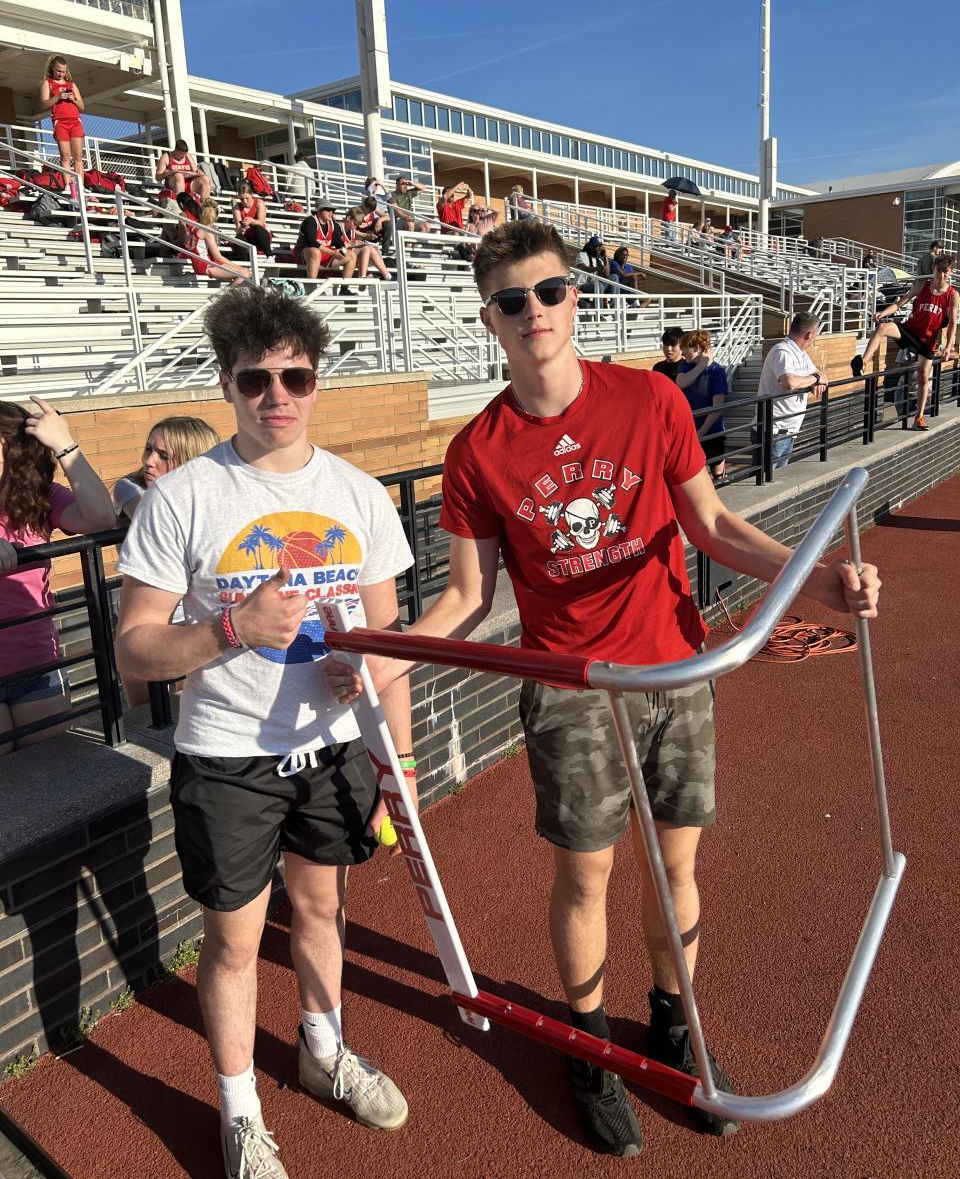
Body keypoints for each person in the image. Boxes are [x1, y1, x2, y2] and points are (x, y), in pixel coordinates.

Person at [325, 221, 880, 1159]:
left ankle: (673, 1022)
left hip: (672, 669)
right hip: (572, 687)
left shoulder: (650, 398)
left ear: (574, 297)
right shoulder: (478, 451)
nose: (534, 312)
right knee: (586, 875)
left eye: (549, 292)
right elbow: (466, 598)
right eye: (512, 300)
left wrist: (817, 578)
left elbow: (711, 525)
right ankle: (589, 1047)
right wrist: (378, 663)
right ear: (490, 319)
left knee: (675, 872)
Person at [115, 286, 414, 1178]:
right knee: (236, 943)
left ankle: (325, 1051)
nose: (276, 394)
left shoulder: (359, 494)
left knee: (323, 909)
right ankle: (240, 1109)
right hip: (228, 755)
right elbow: (135, 648)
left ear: (317, 382)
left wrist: (395, 757)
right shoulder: (183, 499)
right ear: (227, 384)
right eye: (255, 379)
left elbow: (388, 640)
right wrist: (231, 631)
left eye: (295, 377)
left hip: (332, 748)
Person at [0, 398, 115, 755]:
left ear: (14, 451)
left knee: (51, 770)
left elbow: (101, 519)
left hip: (38, 666)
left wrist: (66, 445)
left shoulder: (40, 496)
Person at [112, 416, 220, 709]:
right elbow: (151, 515)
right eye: (149, 450)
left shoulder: (214, 494)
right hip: (144, 621)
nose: (149, 461)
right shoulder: (130, 487)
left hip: (197, 617)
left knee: (189, 706)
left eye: (164, 455)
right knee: (147, 710)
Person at [851, 254, 958, 431]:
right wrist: (884, 313)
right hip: (910, 330)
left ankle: (919, 418)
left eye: (944, 272)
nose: (941, 275)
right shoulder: (922, 285)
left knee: (923, 376)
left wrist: (948, 347)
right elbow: (900, 303)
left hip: (927, 340)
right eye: (938, 271)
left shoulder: (953, 295)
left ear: (950, 272)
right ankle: (863, 363)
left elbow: (953, 323)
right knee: (882, 328)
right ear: (934, 269)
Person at [753, 311, 826, 469]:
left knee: (778, 478)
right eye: (816, 335)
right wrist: (816, 379)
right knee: (765, 479)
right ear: (809, 334)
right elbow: (789, 382)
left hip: (788, 431)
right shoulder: (782, 351)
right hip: (774, 432)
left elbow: (820, 374)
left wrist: (817, 378)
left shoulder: (801, 354)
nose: (815, 339)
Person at [677, 331, 728, 482]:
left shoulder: (717, 371)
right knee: (694, 473)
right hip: (689, 429)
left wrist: (701, 433)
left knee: (717, 471)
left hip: (711, 430)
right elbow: (681, 383)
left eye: (685, 348)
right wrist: (703, 364)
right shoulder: (685, 365)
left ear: (697, 348)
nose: (682, 353)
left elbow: (717, 407)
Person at [177, 193, 251, 284]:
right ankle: (226, 293)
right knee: (244, 273)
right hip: (205, 266)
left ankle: (231, 291)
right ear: (214, 216)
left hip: (205, 264)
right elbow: (217, 256)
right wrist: (238, 267)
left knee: (245, 273)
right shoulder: (206, 230)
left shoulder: (195, 227)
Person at [40, 56, 85, 195]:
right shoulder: (48, 83)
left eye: (63, 71)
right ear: (53, 69)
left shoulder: (72, 85)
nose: (61, 74)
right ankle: (68, 185)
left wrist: (73, 99)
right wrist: (57, 97)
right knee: (65, 156)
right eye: (58, 71)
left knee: (78, 156)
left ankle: (80, 186)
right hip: (60, 122)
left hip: (75, 121)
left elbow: (82, 106)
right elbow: (44, 103)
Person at [293, 199, 357, 281]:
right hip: (304, 253)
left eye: (332, 210)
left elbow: (339, 243)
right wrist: (332, 252)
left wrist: (343, 251)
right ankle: (312, 286)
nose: (331, 212)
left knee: (351, 255)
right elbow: (312, 242)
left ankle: (344, 287)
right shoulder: (310, 221)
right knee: (315, 251)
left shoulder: (332, 224)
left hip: (324, 253)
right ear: (319, 211)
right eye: (328, 210)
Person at [342, 208, 392, 280]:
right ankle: (363, 276)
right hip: (344, 256)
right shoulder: (339, 227)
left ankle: (387, 276)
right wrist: (351, 244)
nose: (355, 227)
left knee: (370, 248)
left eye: (357, 225)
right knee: (366, 248)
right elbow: (338, 247)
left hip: (351, 256)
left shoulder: (351, 229)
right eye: (355, 224)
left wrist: (358, 242)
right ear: (348, 218)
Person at [232, 180, 273, 260]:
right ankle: (245, 263)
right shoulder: (237, 207)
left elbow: (261, 222)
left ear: (252, 194)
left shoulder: (259, 203)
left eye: (247, 198)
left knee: (257, 228)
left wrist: (251, 221)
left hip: (259, 236)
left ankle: (270, 256)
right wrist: (242, 228)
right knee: (238, 238)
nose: (244, 201)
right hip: (247, 236)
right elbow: (238, 229)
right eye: (242, 199)